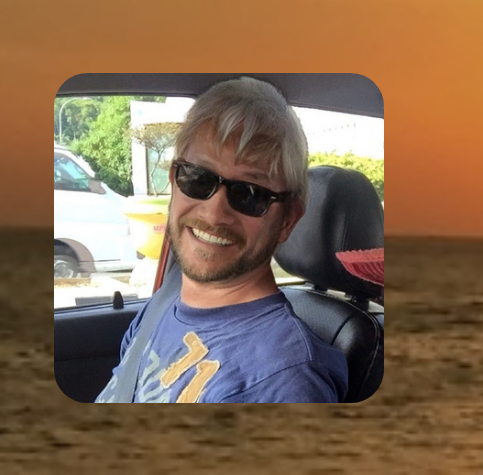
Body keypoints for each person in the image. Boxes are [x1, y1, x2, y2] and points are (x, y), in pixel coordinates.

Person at [95, 77, 348, 402]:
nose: (214, 214)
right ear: (174, 180)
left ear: (287, 219)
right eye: (198, 178)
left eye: (250, 194)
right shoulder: (164, 303)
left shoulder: (284, 379)